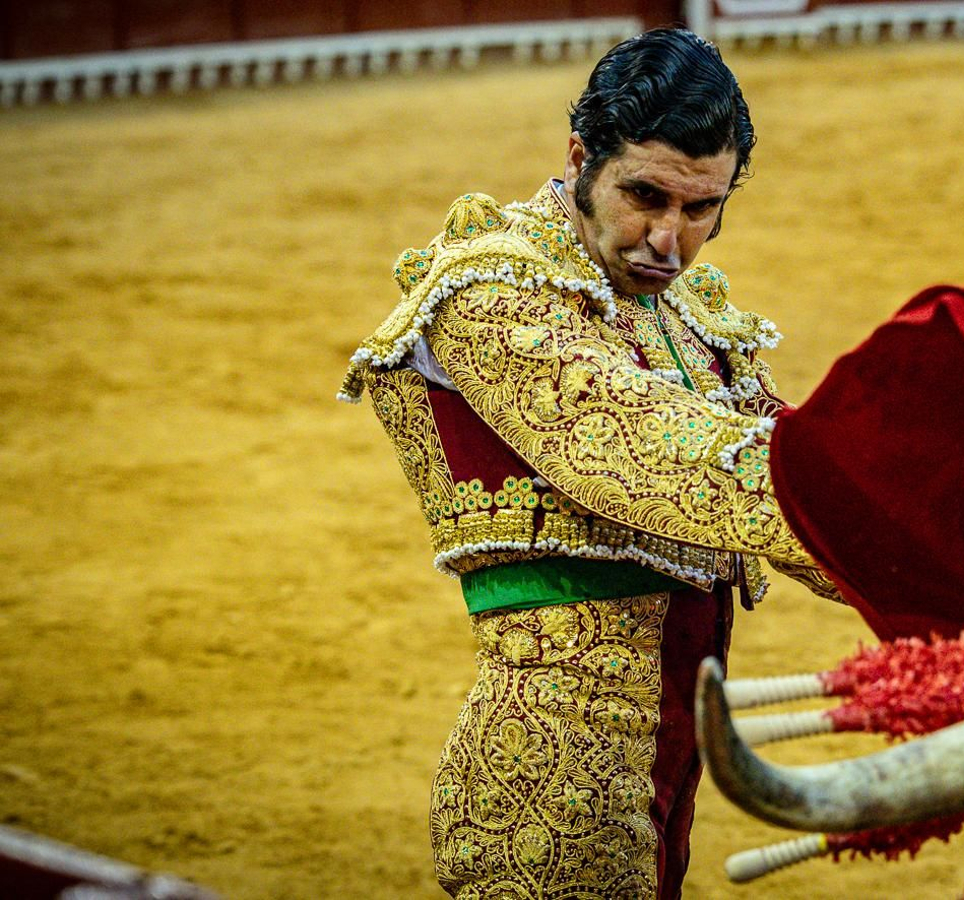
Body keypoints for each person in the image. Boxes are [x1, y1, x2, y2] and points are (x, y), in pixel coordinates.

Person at [339, 29, 837, 899]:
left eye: (701, 208)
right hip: (548, 786)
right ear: (580, 158)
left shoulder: (687, 321)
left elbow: (807, 471)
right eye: (643, 195)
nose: (668, 241)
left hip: (665, 773)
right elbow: (650, 450)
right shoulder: (490, 293)